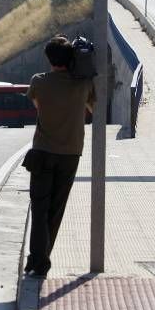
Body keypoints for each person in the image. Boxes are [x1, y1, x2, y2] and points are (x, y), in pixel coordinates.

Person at [23, 35, 95, 278]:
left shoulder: (39, 82)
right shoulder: (83, 85)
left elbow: (37, 106)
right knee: (56, 209)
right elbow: (94, 107)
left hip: (42, 152)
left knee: (39, 208)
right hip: (70, 153)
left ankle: (38, 259)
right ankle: (40, 258)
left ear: (49, 58)